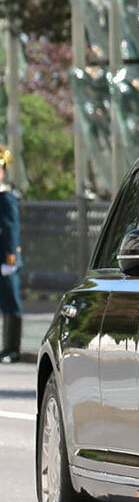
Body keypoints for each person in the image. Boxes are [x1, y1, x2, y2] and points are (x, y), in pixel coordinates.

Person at [0, 144, 21, 363]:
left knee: (11, 304)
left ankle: (12, 349)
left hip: (5, 260)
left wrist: (10, 259)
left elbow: (11, 229)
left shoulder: (6, 198)